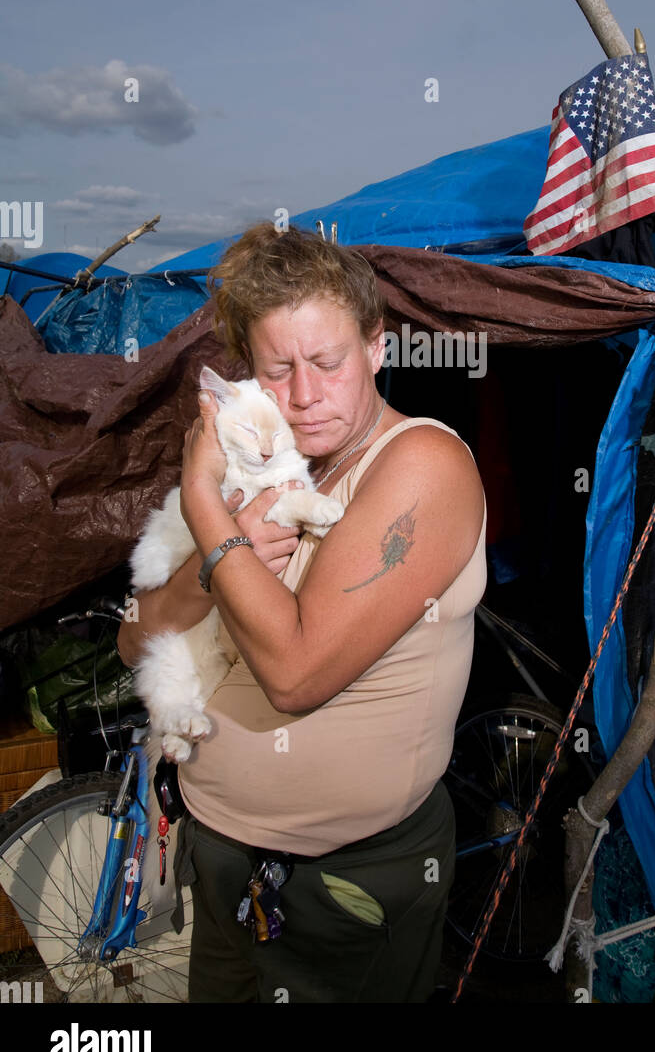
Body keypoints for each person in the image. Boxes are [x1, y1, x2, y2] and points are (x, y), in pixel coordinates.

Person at [117, 221, 487, 1003]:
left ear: (377, 348)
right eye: (277, 369)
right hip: (219, 855)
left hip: (346, 882)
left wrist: (205, 509)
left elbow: (296, 673)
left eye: (328, 361)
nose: (306, 395)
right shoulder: (260, 464)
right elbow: (136, 640)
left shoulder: (422, 464)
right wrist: (223, 555)